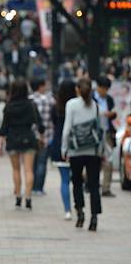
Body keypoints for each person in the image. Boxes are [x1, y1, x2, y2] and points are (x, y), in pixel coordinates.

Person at [61, 78, 103, 231]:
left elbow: (67, 129)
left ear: (78, 89)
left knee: (77, 182)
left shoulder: (71, 104)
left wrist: (64, 149)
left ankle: (80, 213)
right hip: (92, 151)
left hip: (75, 150)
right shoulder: (95, 106)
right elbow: (100, 129)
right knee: (93, 185)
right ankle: (94, 218)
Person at [0, 79, 44, 210]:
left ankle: (18, 197)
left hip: (13, 138)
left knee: (16, 169)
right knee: (28, 170)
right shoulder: (31, 105)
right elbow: (40, 124)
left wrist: (1, 139)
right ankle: (28, 198)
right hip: (28, 138)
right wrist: (41, 135)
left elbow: (4, 126)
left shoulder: (9, 106)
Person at [50, 80, 77, 220]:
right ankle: (79, 206)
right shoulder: (77, 106)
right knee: (76, 179)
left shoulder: (56, 107)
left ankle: (67, 210)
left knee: (64, 180)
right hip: (76, 145)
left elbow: (54, 123)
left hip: (58, 144)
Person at [29, 78, 55, 195]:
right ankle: (39, 188)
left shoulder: (29, 100)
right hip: (46, 135)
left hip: (31, 136)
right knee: (42, 162)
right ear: (40, 86)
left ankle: (31, 185)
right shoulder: (50, 100)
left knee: (32, 163)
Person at [94, 75, 117, 197]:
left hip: (106, 132)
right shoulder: (91, 98)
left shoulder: (109, 99)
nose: (105, 91)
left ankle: (106, 188)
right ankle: (91, 184)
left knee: (108, 161)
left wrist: (111, 114)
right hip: (93, 133)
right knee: (94, 160)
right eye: (103, 88)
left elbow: (114, 113)